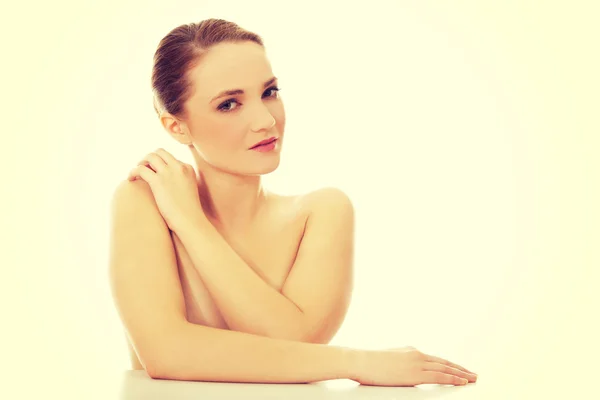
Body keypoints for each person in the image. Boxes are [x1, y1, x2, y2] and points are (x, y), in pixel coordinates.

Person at [108, 18, 478, 386]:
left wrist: (192, 224)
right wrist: (358, 362)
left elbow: (296, 345)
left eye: (269, 92)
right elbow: (167, 353)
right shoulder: (144, 200)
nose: (266, 120)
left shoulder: (321, 212)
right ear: (177, 127)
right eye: (229, 104)